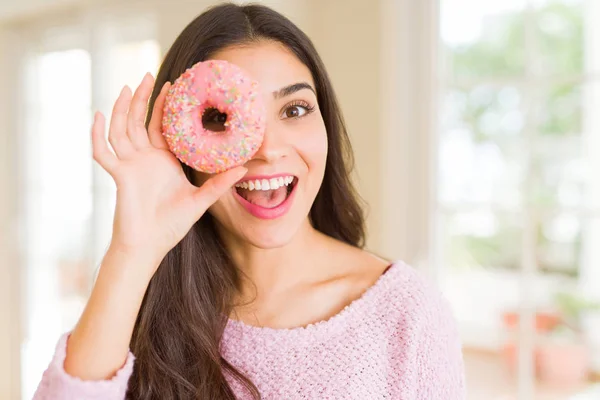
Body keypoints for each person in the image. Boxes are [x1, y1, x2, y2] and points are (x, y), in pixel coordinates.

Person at [33, 3, 465, 399]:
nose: (266, 149)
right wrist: (132, 251)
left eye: (294, 110)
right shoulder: (139, 306)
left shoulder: (405, 315)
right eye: (220, 118)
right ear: (179, 147)